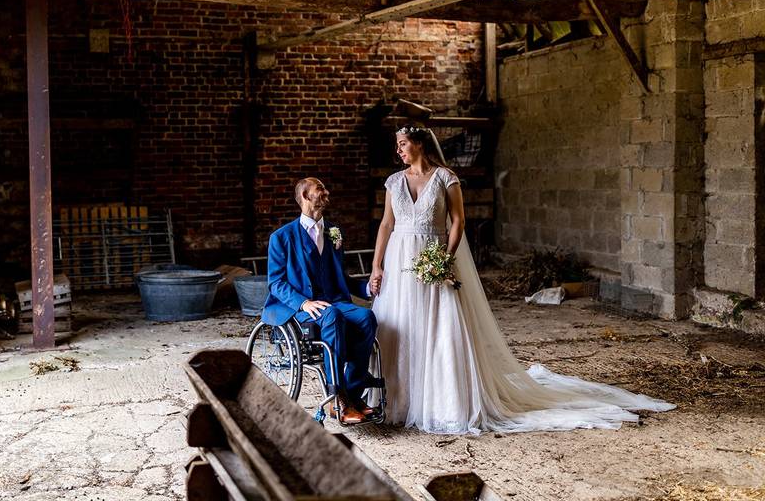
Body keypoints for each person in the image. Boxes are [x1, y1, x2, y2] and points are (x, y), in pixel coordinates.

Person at [368, 126, 675, 434]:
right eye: (397, 145)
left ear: (420, 144)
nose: (399, 150)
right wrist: (377, 266)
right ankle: (399, 400)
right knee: (403, 323)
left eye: (403, 144)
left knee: (440, 327)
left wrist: (446, 259)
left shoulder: (446, 178)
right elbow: (386, 224)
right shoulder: (394, 182)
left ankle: (442, 403)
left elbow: (459, 220)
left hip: (434, 256)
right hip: (400, 259)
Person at [263, 177, 377, 424]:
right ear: (305, 196)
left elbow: (339, 277)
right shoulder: (281, 238)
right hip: (300, 307)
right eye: (320, 189)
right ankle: (339, 399)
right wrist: (304, 303)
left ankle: (352, 394)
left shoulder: (333, 232)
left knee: (366, 317)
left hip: (334, 301)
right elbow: (276, 282)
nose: (326, 192)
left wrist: (367, 287)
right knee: (331, 316)